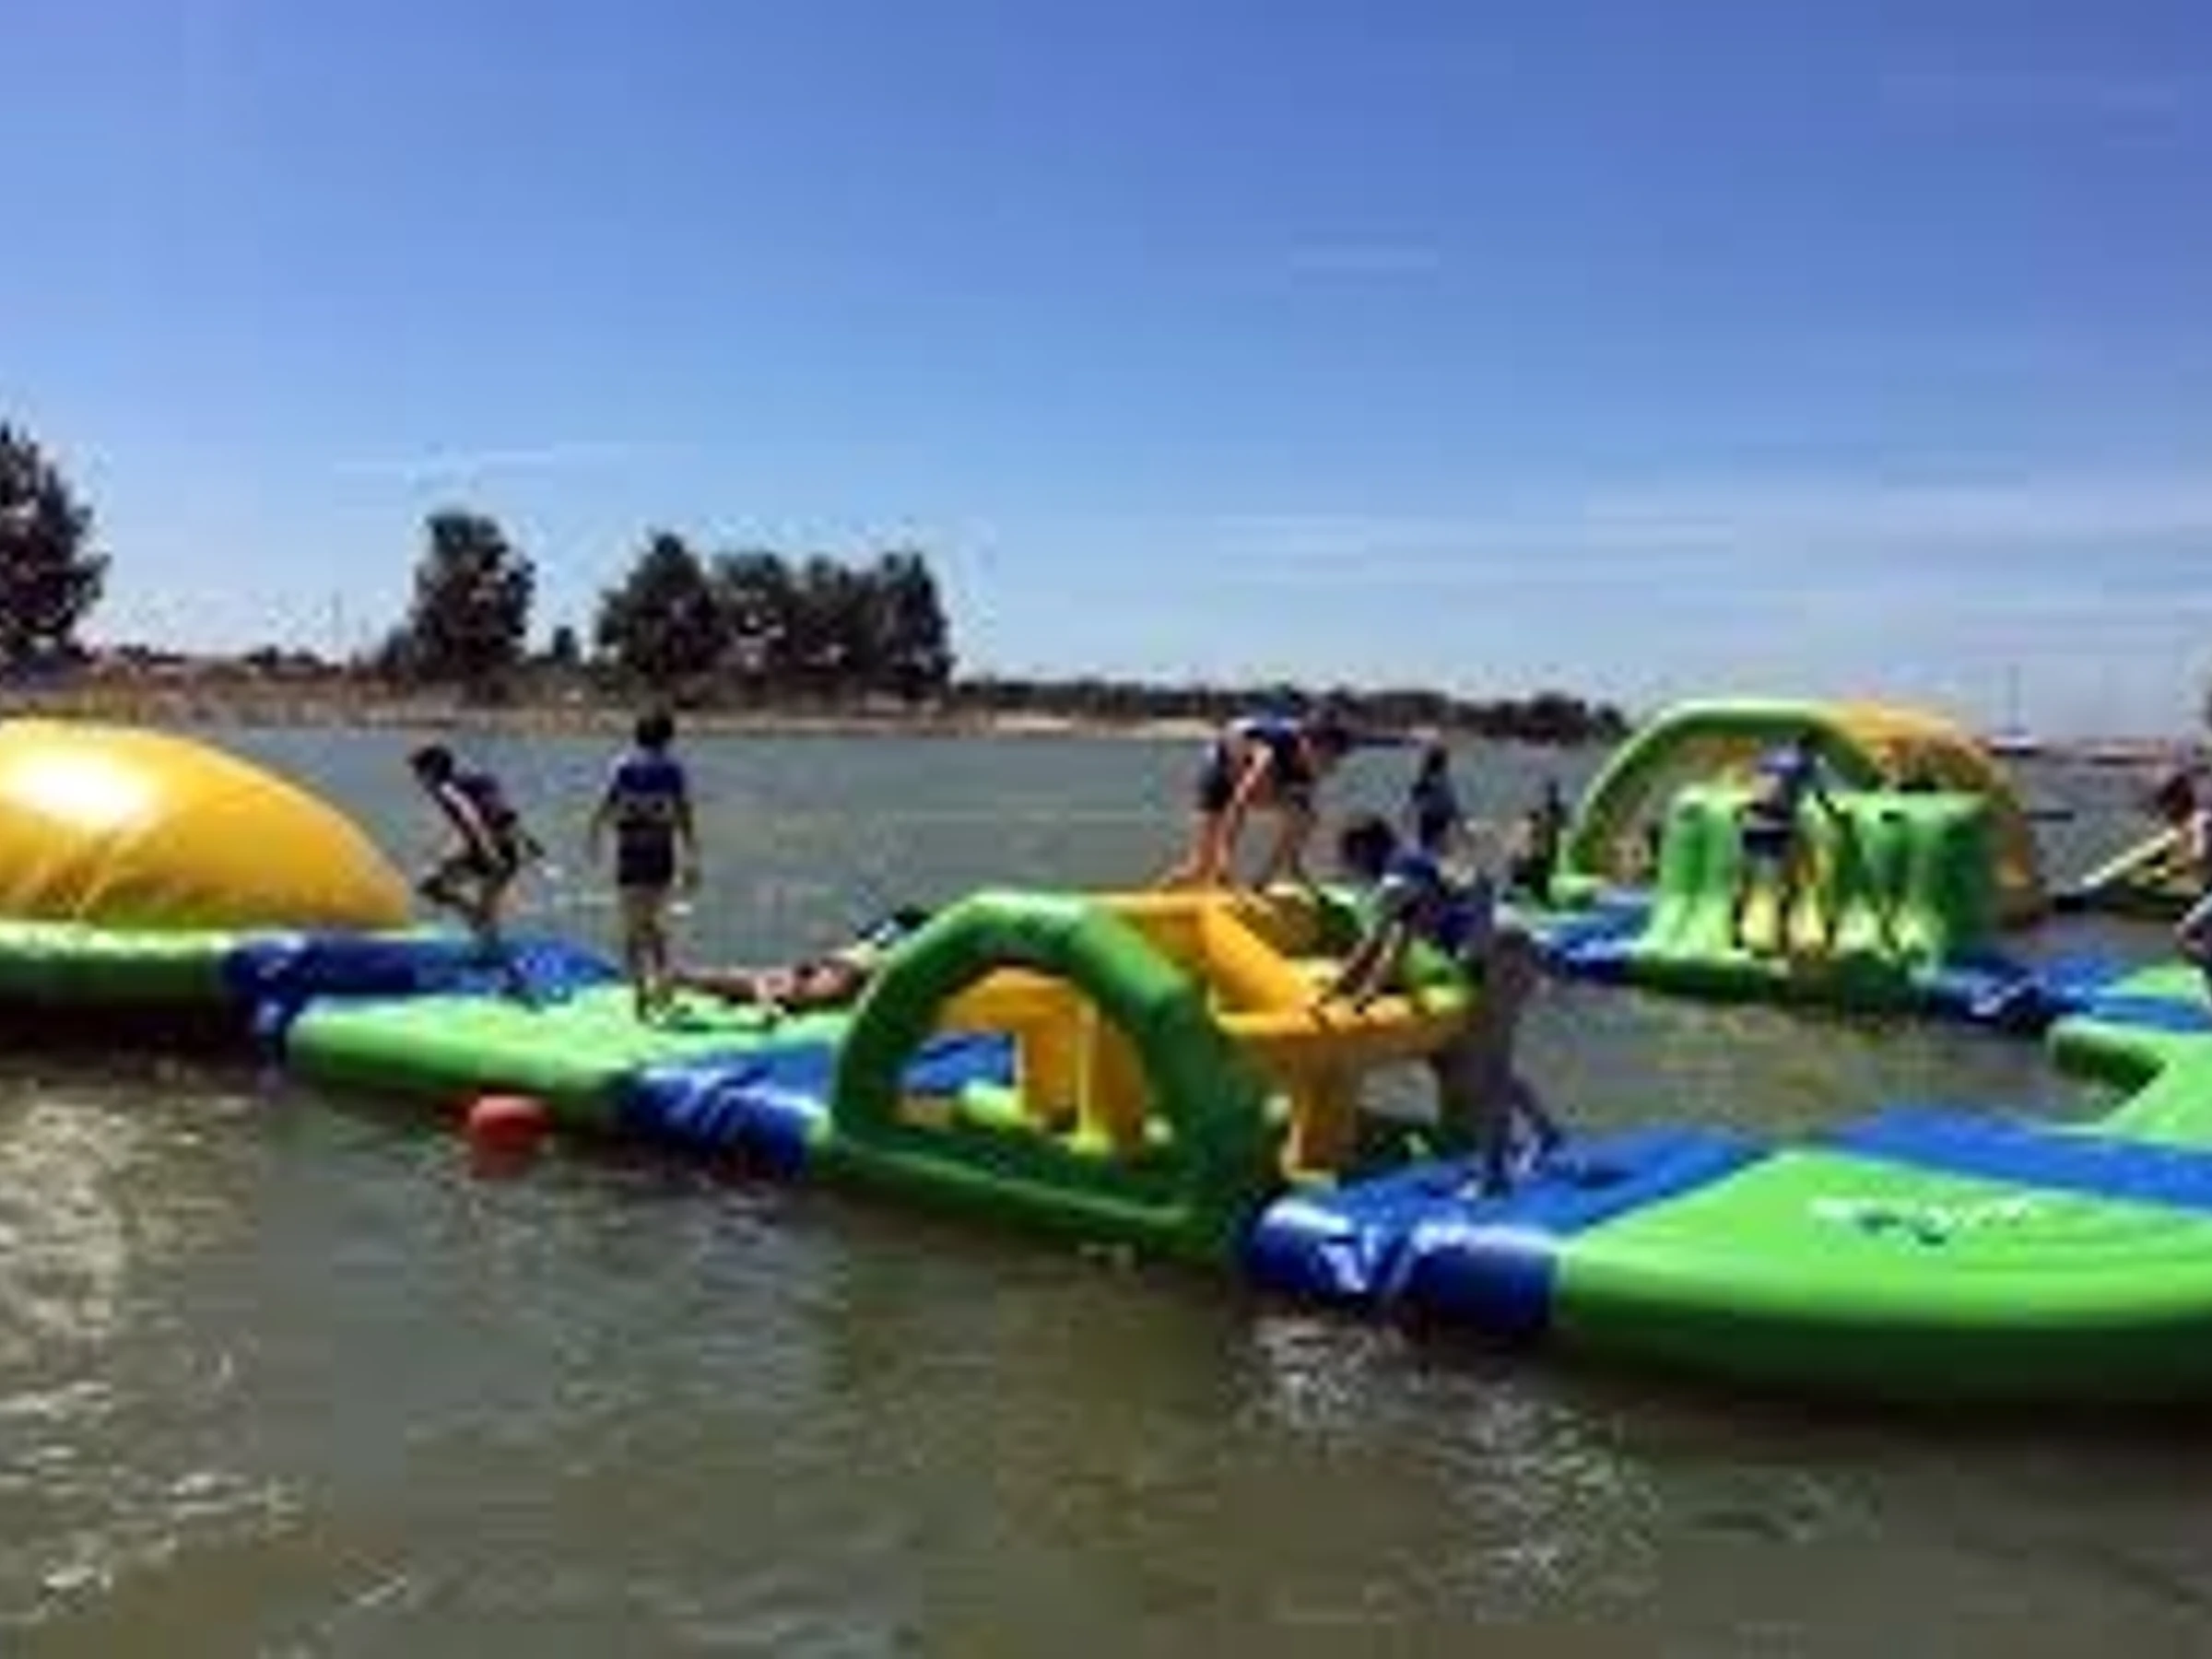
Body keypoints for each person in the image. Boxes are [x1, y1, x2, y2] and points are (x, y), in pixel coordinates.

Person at [1318, 813, 1564, 1195]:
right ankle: (1546, 1134)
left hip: (1501, 957)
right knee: (1489, 1063)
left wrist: (1340, 995)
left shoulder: (1393, 884)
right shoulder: (1411, 866)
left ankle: (1495, 1178)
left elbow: (1377, 949)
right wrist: (1354, 993)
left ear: (1360, 854)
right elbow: (1392, 946)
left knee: (1486, 1072)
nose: (1345, 869)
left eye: (1345, 859)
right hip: (1511, 951)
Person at [1157, 706, 1359, 890]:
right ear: (1306, 745)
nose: (1330, 765)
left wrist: (1289, 862)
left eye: (1335, 757)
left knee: (1306, 816)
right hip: (1223, 766)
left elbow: (1302, 814)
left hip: (1268, 774)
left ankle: (1269, 877)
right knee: (1201, 866)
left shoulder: (1314, 765)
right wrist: (1224, 859)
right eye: (1326, 756)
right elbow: (1239, 803)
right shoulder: (1269, 753)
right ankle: (1158, 895)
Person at [587, 709, 700, 1021]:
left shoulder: (623, 766)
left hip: (631, 853)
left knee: (633, 926)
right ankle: (662, 987)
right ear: (668, 738)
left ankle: (641, 996)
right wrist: (692, 856)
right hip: (661, 853)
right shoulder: (673, 770)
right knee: (654, 922)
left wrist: (594, 837)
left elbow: (606, 805)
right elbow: (684, 814)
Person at [407, 743, 540, 994]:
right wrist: (530, 845)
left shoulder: (446, 788)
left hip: (490, 852)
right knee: (433, 884)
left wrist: (488, 852)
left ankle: (515, 980)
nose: (417, 778)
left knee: (437, 890)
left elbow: (471, 818)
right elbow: (505, 815)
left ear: (432, 770)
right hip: (500, 850)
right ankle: (480, 931)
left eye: (419, 771)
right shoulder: (466, 782)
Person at [676, 906, 934, 1018]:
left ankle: (684, 978)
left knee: (766, 981)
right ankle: (684, 978)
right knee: (766, 981)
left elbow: (848, 966)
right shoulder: (836, 975)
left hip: (858, 961)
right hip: (858, 960)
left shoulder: (834, 978)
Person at [1728, 730, 1846, 956]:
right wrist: (1836, 816)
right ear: (1815, 747)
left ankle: (1734, 934)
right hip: (1779, 823)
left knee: (1746, 880)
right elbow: (1821, 796)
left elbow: (1755, 786)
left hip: (1751, 820)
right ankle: (1782, 936)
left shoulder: (1771, 757)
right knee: (1792, 881)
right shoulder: (1807, 762)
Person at [2153, 771, 2212, 1000]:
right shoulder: (2188, 824)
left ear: (2177, 800)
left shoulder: (2200, 821)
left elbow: (2200, 855)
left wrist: (2169, 870)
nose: (2163, 813)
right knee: (2205, 943)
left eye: (2163, 805)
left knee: (2183, 934)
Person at [1505, 778, 1571, 900]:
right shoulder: (1545, 814)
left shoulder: (1556, 812)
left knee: (1538, 869)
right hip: (1540, 858)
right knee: (1529, 869)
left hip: (1547, 856)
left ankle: (1539, 890)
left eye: (1553, 791)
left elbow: (1563, 829)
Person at [1405, 738, 1466, 859]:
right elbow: (1451, 804)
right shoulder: (1438, 780)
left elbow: (1413, 801)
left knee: (1432, 850)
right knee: (1438, 850)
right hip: (1437, 818)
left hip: (1433, 818)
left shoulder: (1430, 779)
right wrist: (1460, 824)